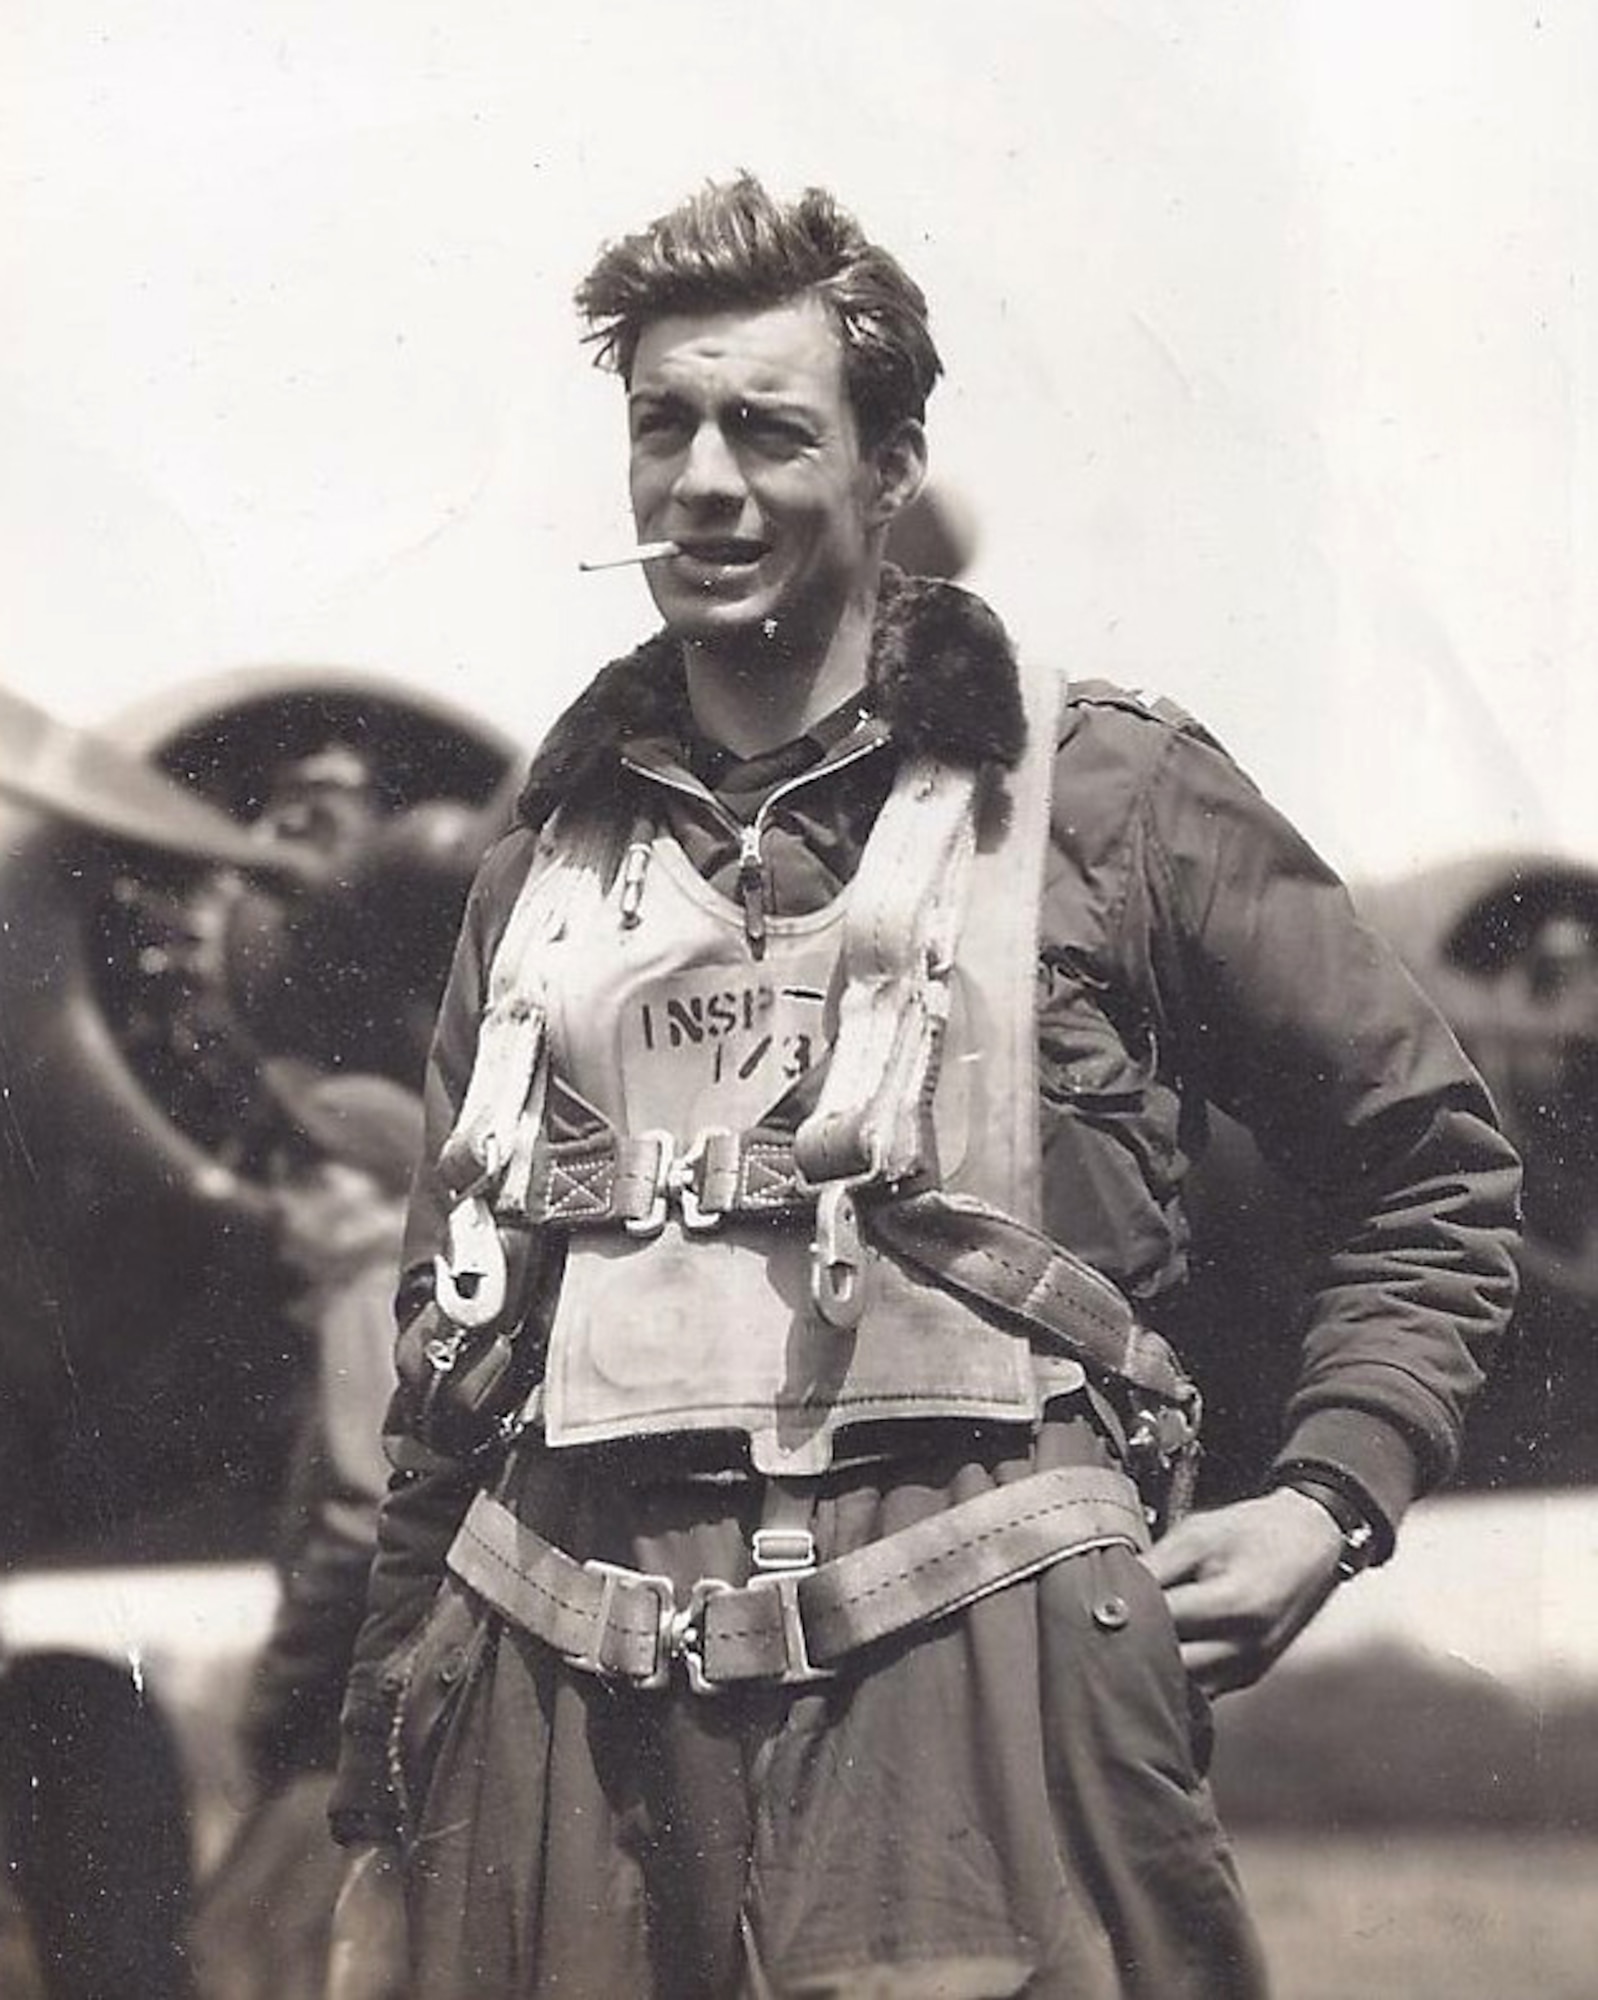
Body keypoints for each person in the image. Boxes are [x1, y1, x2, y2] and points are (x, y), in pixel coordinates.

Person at [327, 175, 1521, 2000]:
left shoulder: (1106, 796)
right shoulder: (542, 874)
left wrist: (1325, 1499)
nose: (705, 480)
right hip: (551, 1700)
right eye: (664, 425)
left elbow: (1425, 1166)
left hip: (976, 1679)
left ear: (887, 466)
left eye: (769, 427)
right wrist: (375, 1810)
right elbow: (449, 1356)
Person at [192, 1069, 423, 2000]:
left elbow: (366, 1524)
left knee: (244, 1944)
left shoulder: (368, 1297)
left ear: (383, 1196)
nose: (285, 1205)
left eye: (313, 1179)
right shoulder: (412, 1293)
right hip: (379, 1702)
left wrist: (273, 1695)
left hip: (337, 1710)